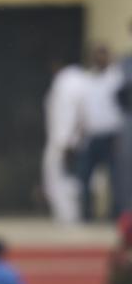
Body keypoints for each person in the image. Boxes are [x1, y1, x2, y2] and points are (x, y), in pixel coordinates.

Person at [77, 45, 124, 221]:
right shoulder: (87, 79)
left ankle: (116, 214)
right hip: (91, 135)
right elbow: (83, 108)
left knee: (114, 178)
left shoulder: (116, 78)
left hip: (111, 134)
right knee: (85, 176)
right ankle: (86, 214)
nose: (100, 59)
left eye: (103, 56)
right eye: (97, 56)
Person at [43, 57, 86, 224]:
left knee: (64, 180)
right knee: (61, 180)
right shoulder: (72, 81)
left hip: (64, 141)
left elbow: (74, 114)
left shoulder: (69, 82)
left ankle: (69, 216)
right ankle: (65, 215)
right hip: (64, 140)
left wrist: (68, 141)